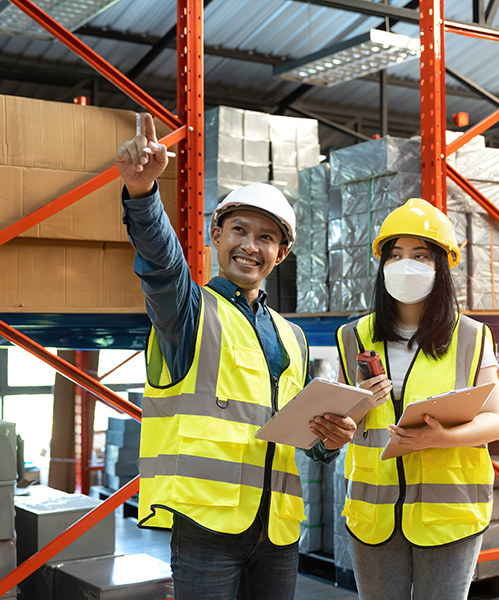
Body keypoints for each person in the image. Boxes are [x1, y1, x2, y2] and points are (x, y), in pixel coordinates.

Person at [116, 113, 356, 600]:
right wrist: (143, 197)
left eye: (266, 238)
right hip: (207, 526)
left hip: (279, 531)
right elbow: (161, 267)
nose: (250, 246)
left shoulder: (293, 337)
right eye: (239, 230)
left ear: (281, 254)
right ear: (215, 235)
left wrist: (331, 441)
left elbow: (303, 438)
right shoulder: (188, 313)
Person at [335, 198, 499, 600]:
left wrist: (439, 437)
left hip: (448, 515)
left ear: (440, 267)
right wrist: (355, 405)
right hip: (374, 513)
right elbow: (342, 426)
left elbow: (496, 420)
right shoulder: (353, 337)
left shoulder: (471, 336)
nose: (404, 265)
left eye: (419, 255)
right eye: (394, 255)